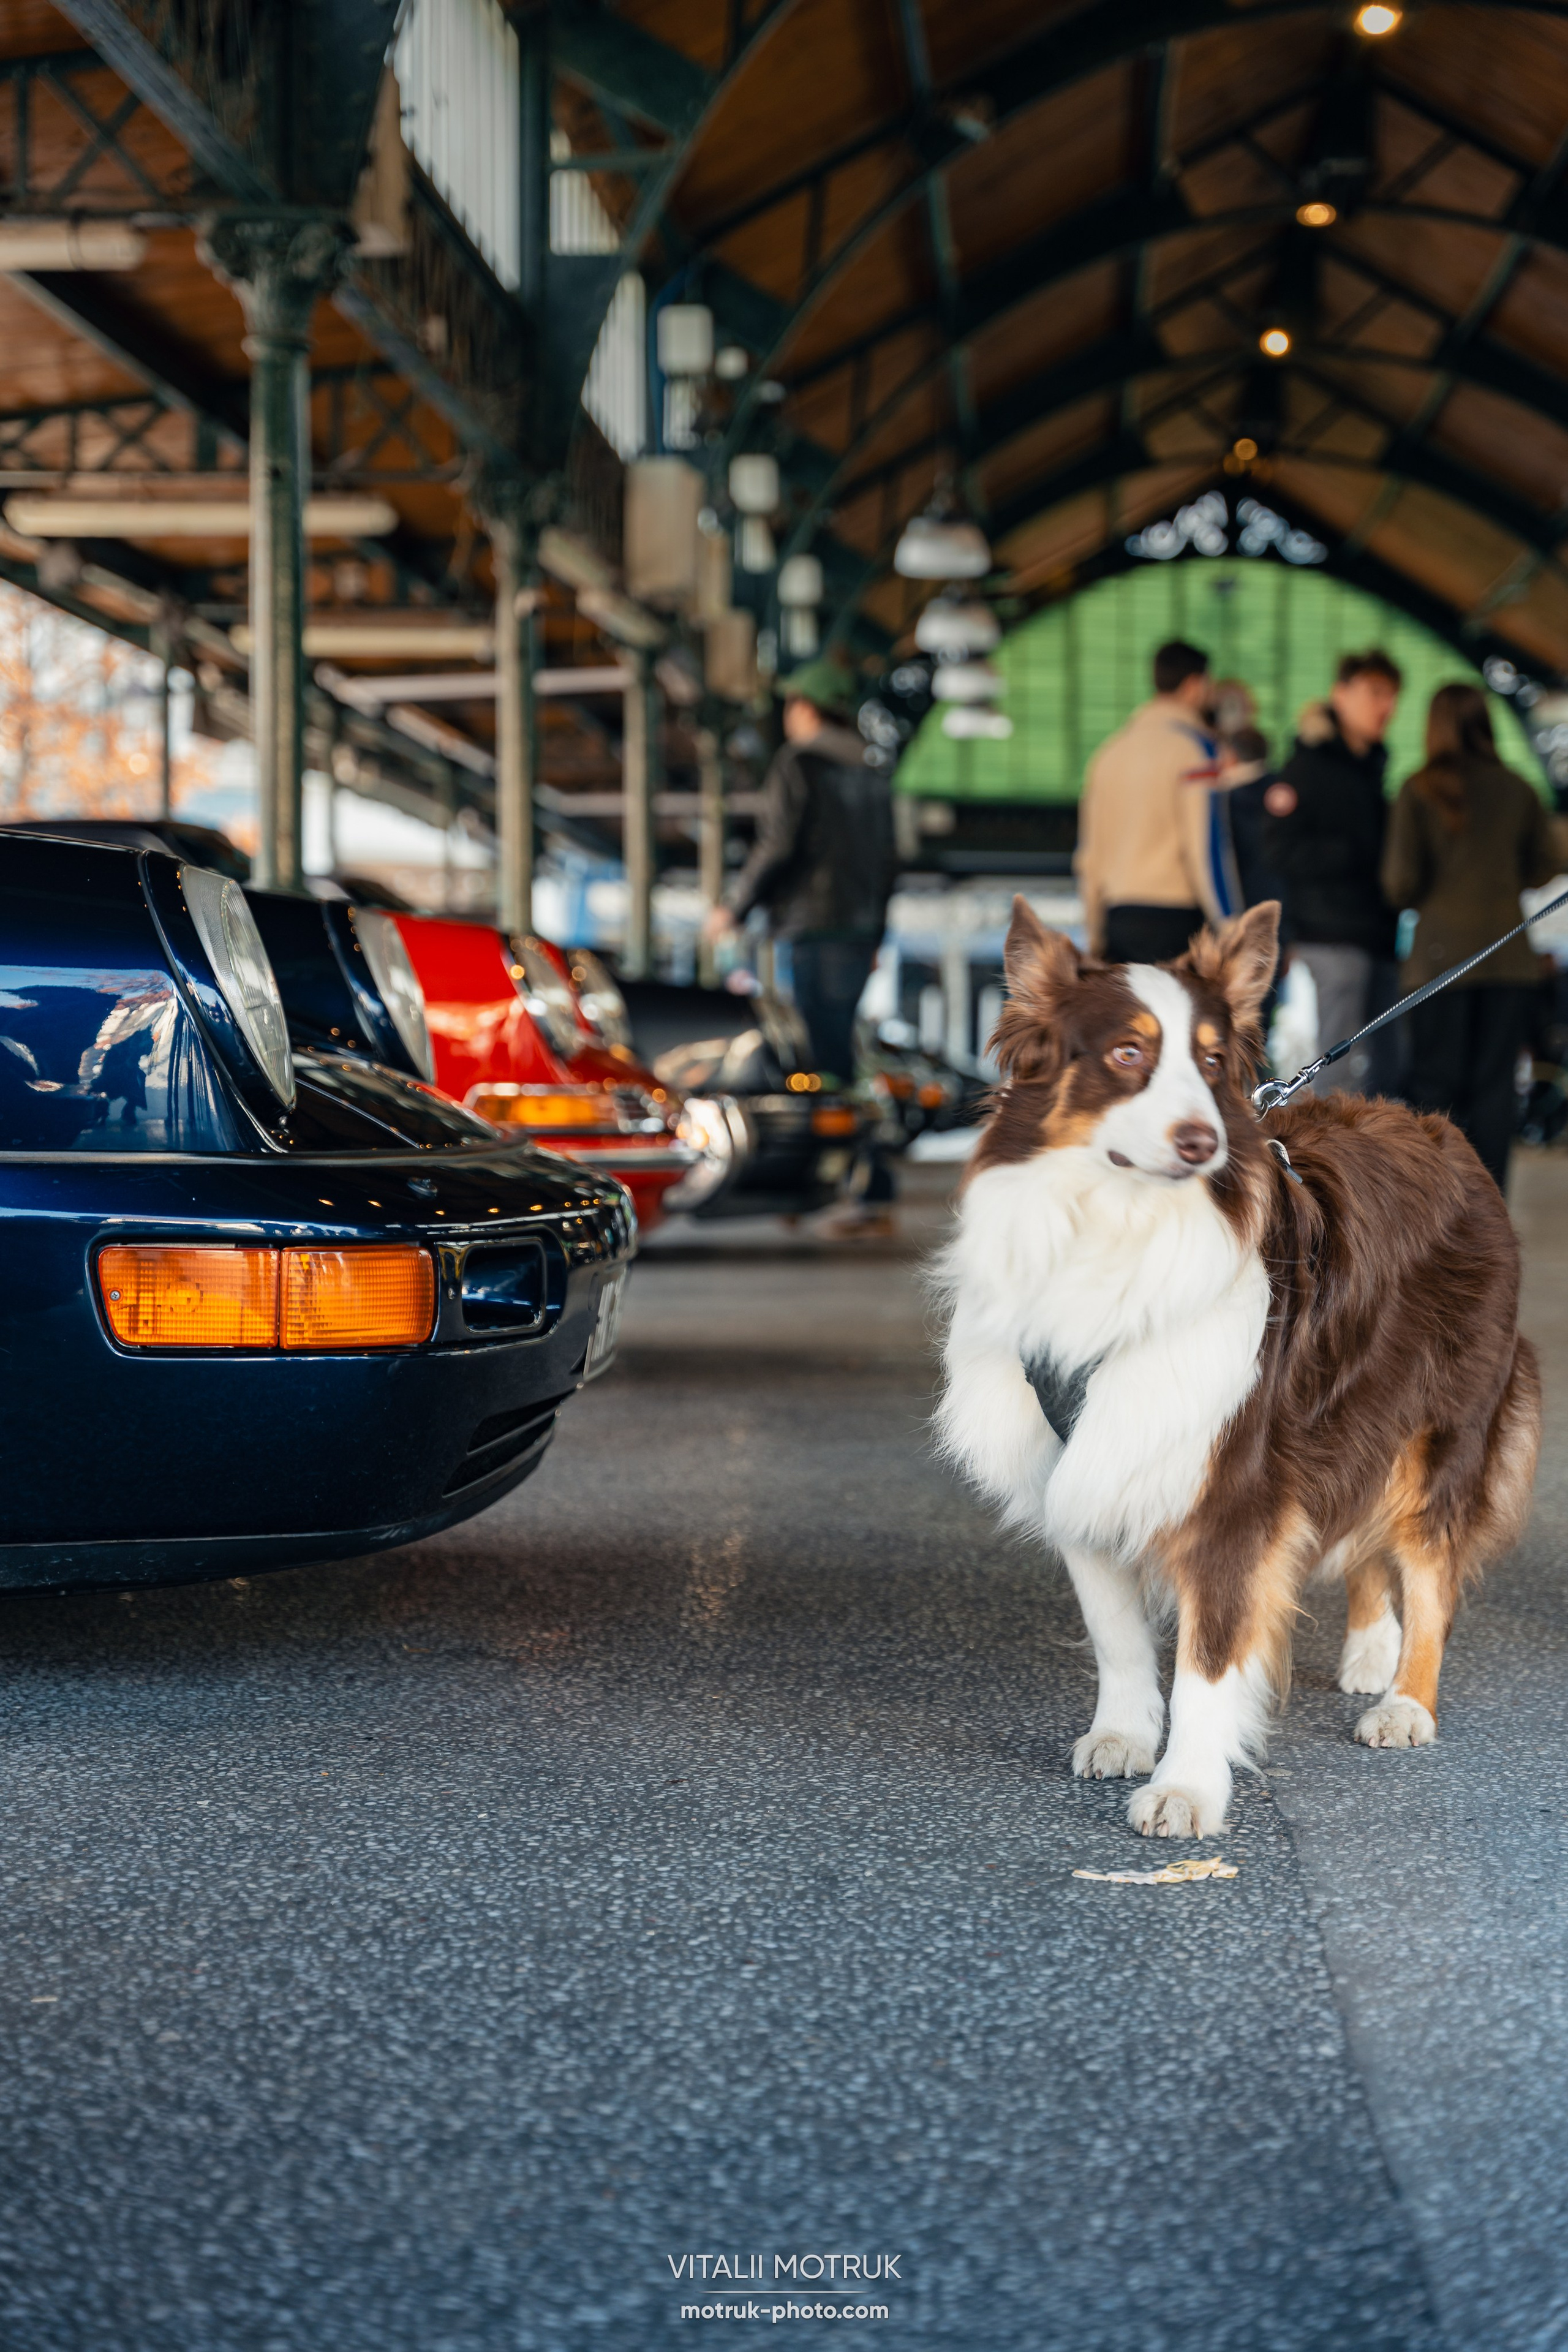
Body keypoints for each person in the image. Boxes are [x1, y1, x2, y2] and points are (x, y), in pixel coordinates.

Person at [1381, 681, 1558, 1191]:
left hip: (1439, 963)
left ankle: (1437, 1201)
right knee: (1496, 1089)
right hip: (1508, 958)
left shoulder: (1418, 790)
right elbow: (1548, 864)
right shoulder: (1518, 788)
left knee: (1434, 1088)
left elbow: (1399, 882)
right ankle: (1490, 1206)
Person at [703, 650, 896, 1091]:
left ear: (806, 708)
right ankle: (849, 1126)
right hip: (859, 932)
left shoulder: (799, 763)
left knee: (815, 1055)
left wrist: (734, 909)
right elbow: (889, 864)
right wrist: (877, 936)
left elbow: (778, 844)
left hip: (813, 928)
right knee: (838, 1045)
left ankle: (836, 1130)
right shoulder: (873, 775)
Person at [1262, 649, 1403, 1096]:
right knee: (1338, 1063)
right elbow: (1277, 848)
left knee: (1391, 1061)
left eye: (1393, 695)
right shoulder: (1308, 767)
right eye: (1375, 692)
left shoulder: (1371, 767)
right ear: (1341, 695)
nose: (1387, 706)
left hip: (1378, 934)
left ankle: (1379, 1142)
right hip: (1331, 933)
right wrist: (1349, 853)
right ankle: (1328, 1142)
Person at [1074, 640, 1231, 963]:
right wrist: (1228, 924)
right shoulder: (1195, 750)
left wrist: (1094, 932)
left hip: (1118, 918)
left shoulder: (1108, 754)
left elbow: (1089, 856)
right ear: (1194, 685)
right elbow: (1205, 845)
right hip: (1177, 918)